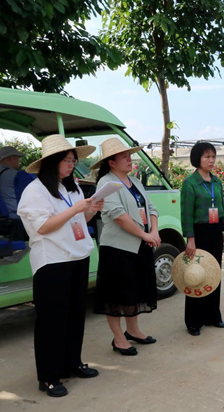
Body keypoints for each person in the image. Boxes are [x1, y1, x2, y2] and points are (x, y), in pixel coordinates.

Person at [17, 135, 103, 397]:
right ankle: (48, 377)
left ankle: (72, 363)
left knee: (75, 315)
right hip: (53, 262)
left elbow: (78, 219)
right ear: (51, 162)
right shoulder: (35, 191)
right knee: (51, 321)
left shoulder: (71, 187)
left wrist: (91, 209)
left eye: (73, 161)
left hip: (77, 256)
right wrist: (76, 209)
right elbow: (43, 227)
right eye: (67, 160)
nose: (71, 165)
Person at [91, 138, 160, 356]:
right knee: (115, 295)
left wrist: (154, 232)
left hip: (140, 245)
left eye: (129, 156)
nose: (129, 160)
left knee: (135, 290)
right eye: (124, 157)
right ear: (111, 162)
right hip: (118, 249)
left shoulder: (134, 181)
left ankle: (133, 330)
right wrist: (145, 234)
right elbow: (118, 216)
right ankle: (119, 338)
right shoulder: (106, 183)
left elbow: (151, 207)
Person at [180, 142, 224, 336]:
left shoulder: (216, 182)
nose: (211, 160)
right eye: (207, 157)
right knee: (195, 275)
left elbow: (222, 208)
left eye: (213, 156)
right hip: (199, 233)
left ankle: (212, 315)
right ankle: (193, 320)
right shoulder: (190, 183)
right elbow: (186, 213)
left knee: (214, 273)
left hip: (215, 231)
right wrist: (190, 238)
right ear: (197, 159)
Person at [0, 146, 24, 218]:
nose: (18, 161)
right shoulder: (15, 175)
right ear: (10, 158)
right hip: (14, 218)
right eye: (17, 158)